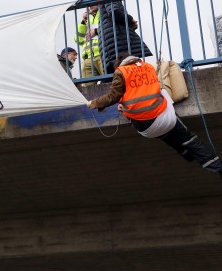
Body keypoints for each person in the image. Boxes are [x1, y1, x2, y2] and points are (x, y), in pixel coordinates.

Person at [86, 53, 221, 178]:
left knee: (165, 133)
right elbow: (147, 90)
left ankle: (186, 155)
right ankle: (215, 166)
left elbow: (113, 96)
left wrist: (94, 103)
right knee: (188, 139)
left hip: (145, 127)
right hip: (163, 117)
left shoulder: (120, 72)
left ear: (119, 64)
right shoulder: (149, 67)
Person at [99, 0, 152, 74]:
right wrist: (130, 19)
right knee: (123, 71)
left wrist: (130, 25)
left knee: (117, 73)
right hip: (117, 43)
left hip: (114, 44)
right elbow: (115, 13)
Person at [75, 0, 104, 80]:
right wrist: (83, 21)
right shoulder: (86, 18)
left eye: (93, 1)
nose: (91, 5)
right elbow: (78, 40)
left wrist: (95, 31)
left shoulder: (104, 13)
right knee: (86, 88)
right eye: (89, 3)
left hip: (102, 55)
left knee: (111, 83)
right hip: (87, 58)